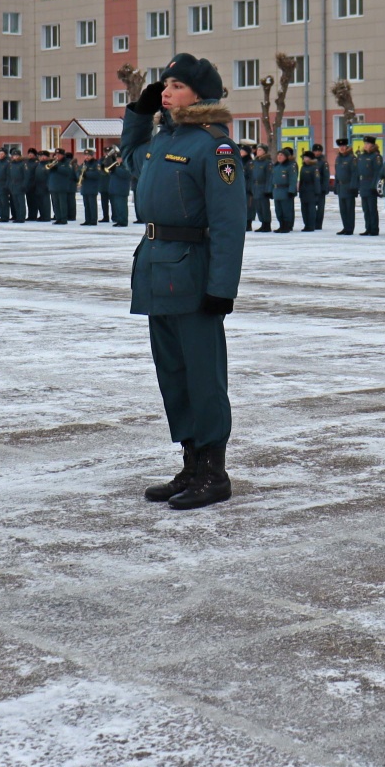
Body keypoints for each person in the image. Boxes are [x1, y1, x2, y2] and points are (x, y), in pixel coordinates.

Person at [122, 54, 246, 510]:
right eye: (165, 85)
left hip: (193, 273)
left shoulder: (213, 147)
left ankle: (214, 471)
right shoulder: (162, 140)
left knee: (202, 375)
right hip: (157, 269)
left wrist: (222, 288)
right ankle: (191, 463)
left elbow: (229, 223)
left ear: (199, 94)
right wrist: (139, 112)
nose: (167, 91)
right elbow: (130, 158)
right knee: (172, 375)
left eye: (176, 85)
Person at [299, 144, 329, 231]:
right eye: (315, 151)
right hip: (309, 189)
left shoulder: (323, 162)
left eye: (318, 151)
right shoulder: (307, 164)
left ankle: (318, 224)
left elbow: (325, 176)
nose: (317, 152)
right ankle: (311, 223)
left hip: (319, 187)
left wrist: (324, 188)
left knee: (320, 208)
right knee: (310, 207)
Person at [334, 138, 360, 235]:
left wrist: (354, 187)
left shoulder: (352, 158)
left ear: (347, 147)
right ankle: (345, 227)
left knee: (349, 209)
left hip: (349, 186)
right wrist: (336, 185)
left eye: (343, 146)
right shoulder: (338, 158)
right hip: (341, 186)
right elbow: (337, 173)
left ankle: (350, 228)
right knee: (343, 209)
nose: (341, 148)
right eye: (340, 147)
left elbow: (354, 173)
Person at [271, 146, 299, 233]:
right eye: (278, 155)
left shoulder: (290, 166)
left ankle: (287, 226)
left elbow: (293, 179)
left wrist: (291, 190)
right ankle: (281, 225)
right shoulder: (276, 166)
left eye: (282, 155)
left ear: (286, 157)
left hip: (285, 190)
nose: (279, 157)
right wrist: (270, 190)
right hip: (277, 191)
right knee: (278, 210)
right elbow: (271, 179)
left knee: (286, 210)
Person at [104, 147, 132, 227]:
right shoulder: (117, 166)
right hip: (114, 189)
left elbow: (125, 175)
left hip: (122, 190)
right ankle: (119, 220)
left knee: (122, 206)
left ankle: (123, 221)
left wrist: (115, 168)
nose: (118, 159)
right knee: (117, 207)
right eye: (117, 158)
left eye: (119, 158)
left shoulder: (126, 166)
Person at [45, 148, 75, 224]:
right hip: (53, 186)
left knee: (62, 204)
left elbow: (68, 172)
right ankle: (58, 218)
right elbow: (47, 172)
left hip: (62, 186)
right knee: (55, 204)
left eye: (59, 154)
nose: (57, 156)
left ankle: (63, 219)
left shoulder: (67, 162)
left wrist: (57, 168)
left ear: (63, 155)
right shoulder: (54, 162)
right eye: (56, 154)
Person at [248, 144, 273, 232]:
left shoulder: (267, 163)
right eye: (258, 150)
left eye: (260, 150)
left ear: (264, 152)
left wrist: (268, 189)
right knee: (258, 207)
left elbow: (269, 176)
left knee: (264, 207)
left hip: (263, 186)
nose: (258, 151)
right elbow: (251, 176)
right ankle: (262, 223)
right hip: (255, 187)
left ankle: (267, 224)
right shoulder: (254, 162)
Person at [78, 149, 105, 226]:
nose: (86, 157)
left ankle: (93, 220)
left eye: (88, 155)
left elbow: (97, 174)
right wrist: (79, 176)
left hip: (92, 187)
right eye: (85, 155)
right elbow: (78, 172)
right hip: (85, 187)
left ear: (92, 156)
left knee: (92, 205)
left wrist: (86, 174)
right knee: (86, 205)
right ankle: (87, 220)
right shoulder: (84, 164)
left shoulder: (96, 164)